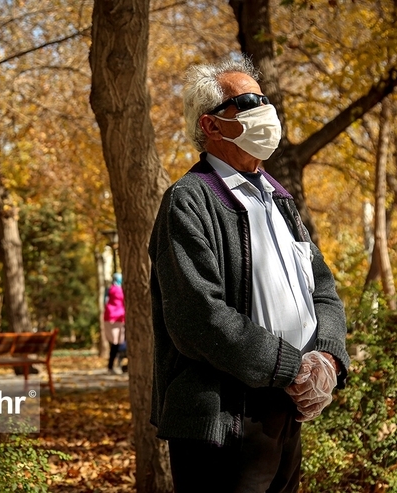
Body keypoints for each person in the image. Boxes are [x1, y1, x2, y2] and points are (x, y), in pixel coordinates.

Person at [148, 56, 350, 493]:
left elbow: (324, 289)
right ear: (212, 125)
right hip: (223, 422)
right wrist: (293, 366)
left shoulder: (279, 199)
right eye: (249, 102)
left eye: (265, 100)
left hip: (286, 409)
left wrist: (329, 359)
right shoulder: (188, 201)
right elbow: (197, 318)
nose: (266, 111)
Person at [103, 273, 126, 374]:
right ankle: (113, 366)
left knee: (115, 343)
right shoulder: (122, 290)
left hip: (109, 318)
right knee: (118, 343)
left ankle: (112, 366)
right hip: (119, 318)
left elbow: (105, 301)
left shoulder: (109, 289)